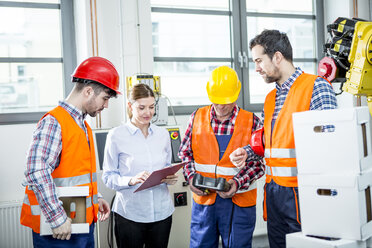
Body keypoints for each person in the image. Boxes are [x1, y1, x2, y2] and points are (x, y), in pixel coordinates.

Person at [229, 29, 338, 248]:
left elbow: (332, 146)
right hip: (274, 195)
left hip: (305, 195)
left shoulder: (317, 87)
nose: (257, 68)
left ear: (277, 56)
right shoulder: (270, 98)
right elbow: (270, 142)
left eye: (259, 60)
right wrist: (247, 152)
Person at [20, 56, 120, 247]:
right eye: (105, 98)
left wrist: (96, 198)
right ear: (88, 91)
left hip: (80, 223)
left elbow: (76, 174)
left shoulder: (81, 125)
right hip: (59, 230)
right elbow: (36, 170)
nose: (106, 105)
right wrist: (57, 217)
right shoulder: (54, 122)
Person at [178, 66, 265, 248]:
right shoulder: (196, 118)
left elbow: (259, 165)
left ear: (236, 94)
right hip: (204, 203)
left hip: (239, 203)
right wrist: (192, 179)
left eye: (226, 101)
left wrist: (237, 183)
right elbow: (185, 154)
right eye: (216, 101)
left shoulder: (252, 122)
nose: (221, 106)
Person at [102, 83, 177, 248]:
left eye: (152, 107)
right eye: (142, 107)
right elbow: (108, 177)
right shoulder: (116, 136)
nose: (148, 113)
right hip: (130, 214)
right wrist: (130, 180)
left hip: (162, 214)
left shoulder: (163, 135)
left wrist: (169, 178)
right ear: (130, 106)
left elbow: (166, 167)